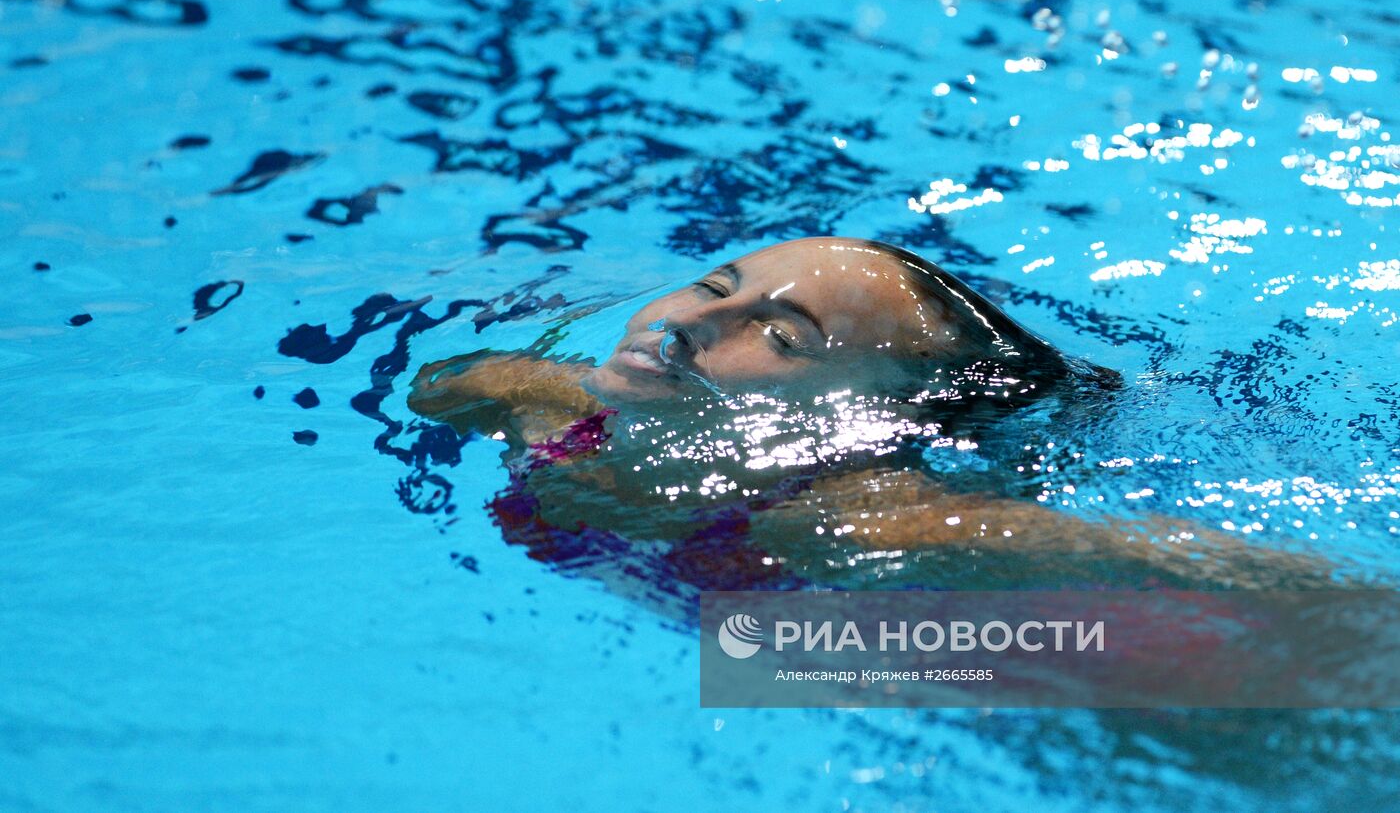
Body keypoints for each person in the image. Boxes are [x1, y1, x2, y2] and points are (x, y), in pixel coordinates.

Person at [408, 237, 1332, 592]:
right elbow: (430, 388)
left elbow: (1160, 553)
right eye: (711, 285)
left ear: (860, 413)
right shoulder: (518, 394)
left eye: (777, 337)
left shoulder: (850, 514)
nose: (684, 325)